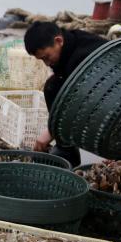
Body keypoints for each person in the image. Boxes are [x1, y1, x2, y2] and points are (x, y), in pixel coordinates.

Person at [22, 21, 107, 167]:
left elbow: (81, 102)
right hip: (92, 90)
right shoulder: (67, 46)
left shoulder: (81, 57)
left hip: (109, 95)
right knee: (52, 87)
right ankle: (66, 148)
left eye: (46, 57)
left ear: (58, 41)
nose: (47, 64)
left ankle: (64, 144)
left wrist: (50, 132)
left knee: (55, 88)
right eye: (42, 59)